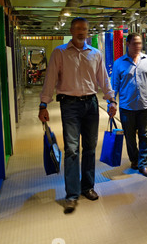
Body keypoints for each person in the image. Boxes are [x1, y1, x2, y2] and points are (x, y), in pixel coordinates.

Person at [38, 17, 117, 214]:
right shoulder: (60, 52)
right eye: (78, 28)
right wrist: (43, 104)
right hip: (70, 105)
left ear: (88, 32)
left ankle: (87, 187)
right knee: (72, 150)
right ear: (71, 31)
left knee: (90, 147)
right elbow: (50, 79)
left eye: (85, 29)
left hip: (91, 104)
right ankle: (72, 194)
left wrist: (111, 100)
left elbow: (103, 80)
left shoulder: (96, 54)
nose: (82, 31)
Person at [111, 33, 147, 177]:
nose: (138, 46)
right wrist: (112, 102)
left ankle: (143, 163)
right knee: (130, 137)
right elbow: (114, 85)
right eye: (135, 43)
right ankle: (134, 159)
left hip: (146, 105)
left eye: (140, 43)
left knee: (145, 136)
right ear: (127, 44)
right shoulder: (119, 63)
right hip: (127, 107)